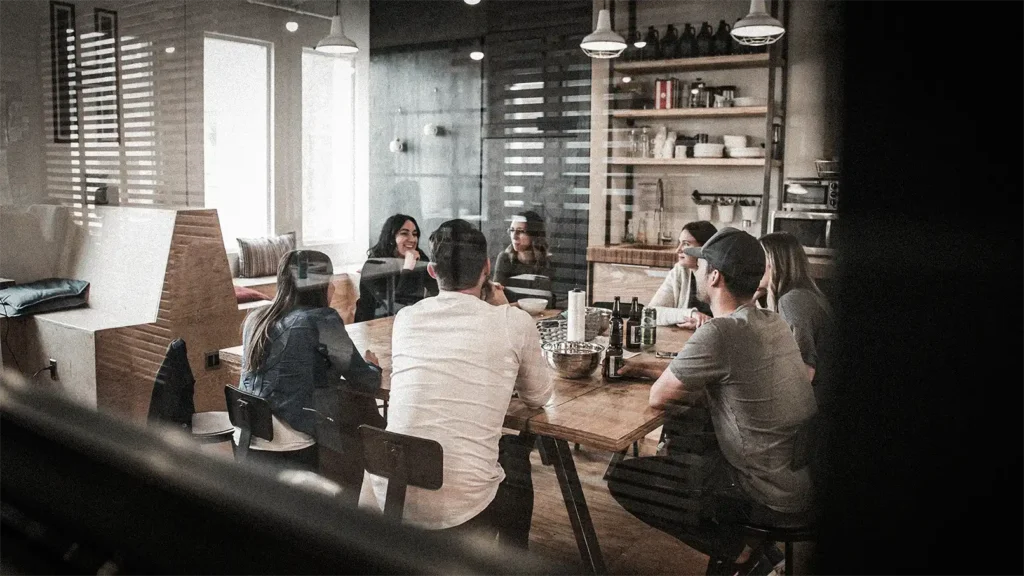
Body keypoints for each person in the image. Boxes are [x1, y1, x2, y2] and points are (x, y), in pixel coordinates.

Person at [608, 227, 817, 576]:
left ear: (715, 276)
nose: (699, 270)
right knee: (692, 431)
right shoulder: (770, 321)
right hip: (798, 476)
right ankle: (754, 550)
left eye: (703, 265)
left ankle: (740, 551)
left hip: (766, 492)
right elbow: (714, 373)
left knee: (626, 479)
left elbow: (659, 396)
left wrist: (647, 374)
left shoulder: (720, 332)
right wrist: (642, 366)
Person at [371, 219, 552, 548]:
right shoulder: (514, 321)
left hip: (391, 488)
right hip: (461, 504)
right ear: (486, 268)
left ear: (432, 270)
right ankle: (513, 561)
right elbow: (539, 396)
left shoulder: (407, 318)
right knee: (514, 455)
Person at [238, 250, 383, 488]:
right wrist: (373, 368)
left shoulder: (256, 319)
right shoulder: (321, 320)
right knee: (357, 413)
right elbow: (364, 379)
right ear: (321, 285)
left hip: (250, 435)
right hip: (293, 441)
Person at [758, 231, 835, 411]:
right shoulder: (802, 294)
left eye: (758, 260)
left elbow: (804, 372)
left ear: (775, 263)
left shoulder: (793, 301)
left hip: (816, 409)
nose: (752, 267)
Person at [355, 214, 439, 322]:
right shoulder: (374, 265)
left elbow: (436, 290)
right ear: (390, 238)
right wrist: (408, 268)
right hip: (373, 326)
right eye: (404, 233)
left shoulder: (419, 257)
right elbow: (397, 307)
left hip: (408, 322)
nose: (412, 239)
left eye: (415, 234)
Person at [648, 220, 717, 329]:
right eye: (679, 243)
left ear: (704, 248)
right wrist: (691, 314)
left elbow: (734, 321)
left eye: (686, 244)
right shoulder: (679, 272)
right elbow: (651, 313)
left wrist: (706, 323)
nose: (677, 250)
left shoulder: (720, 275)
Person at [492, 211, 552, 287]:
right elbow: (496, 293)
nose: (514, 237)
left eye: (520, 231)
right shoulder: (504, 258)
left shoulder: (546, 262)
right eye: (512, 230)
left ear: (534, 235)